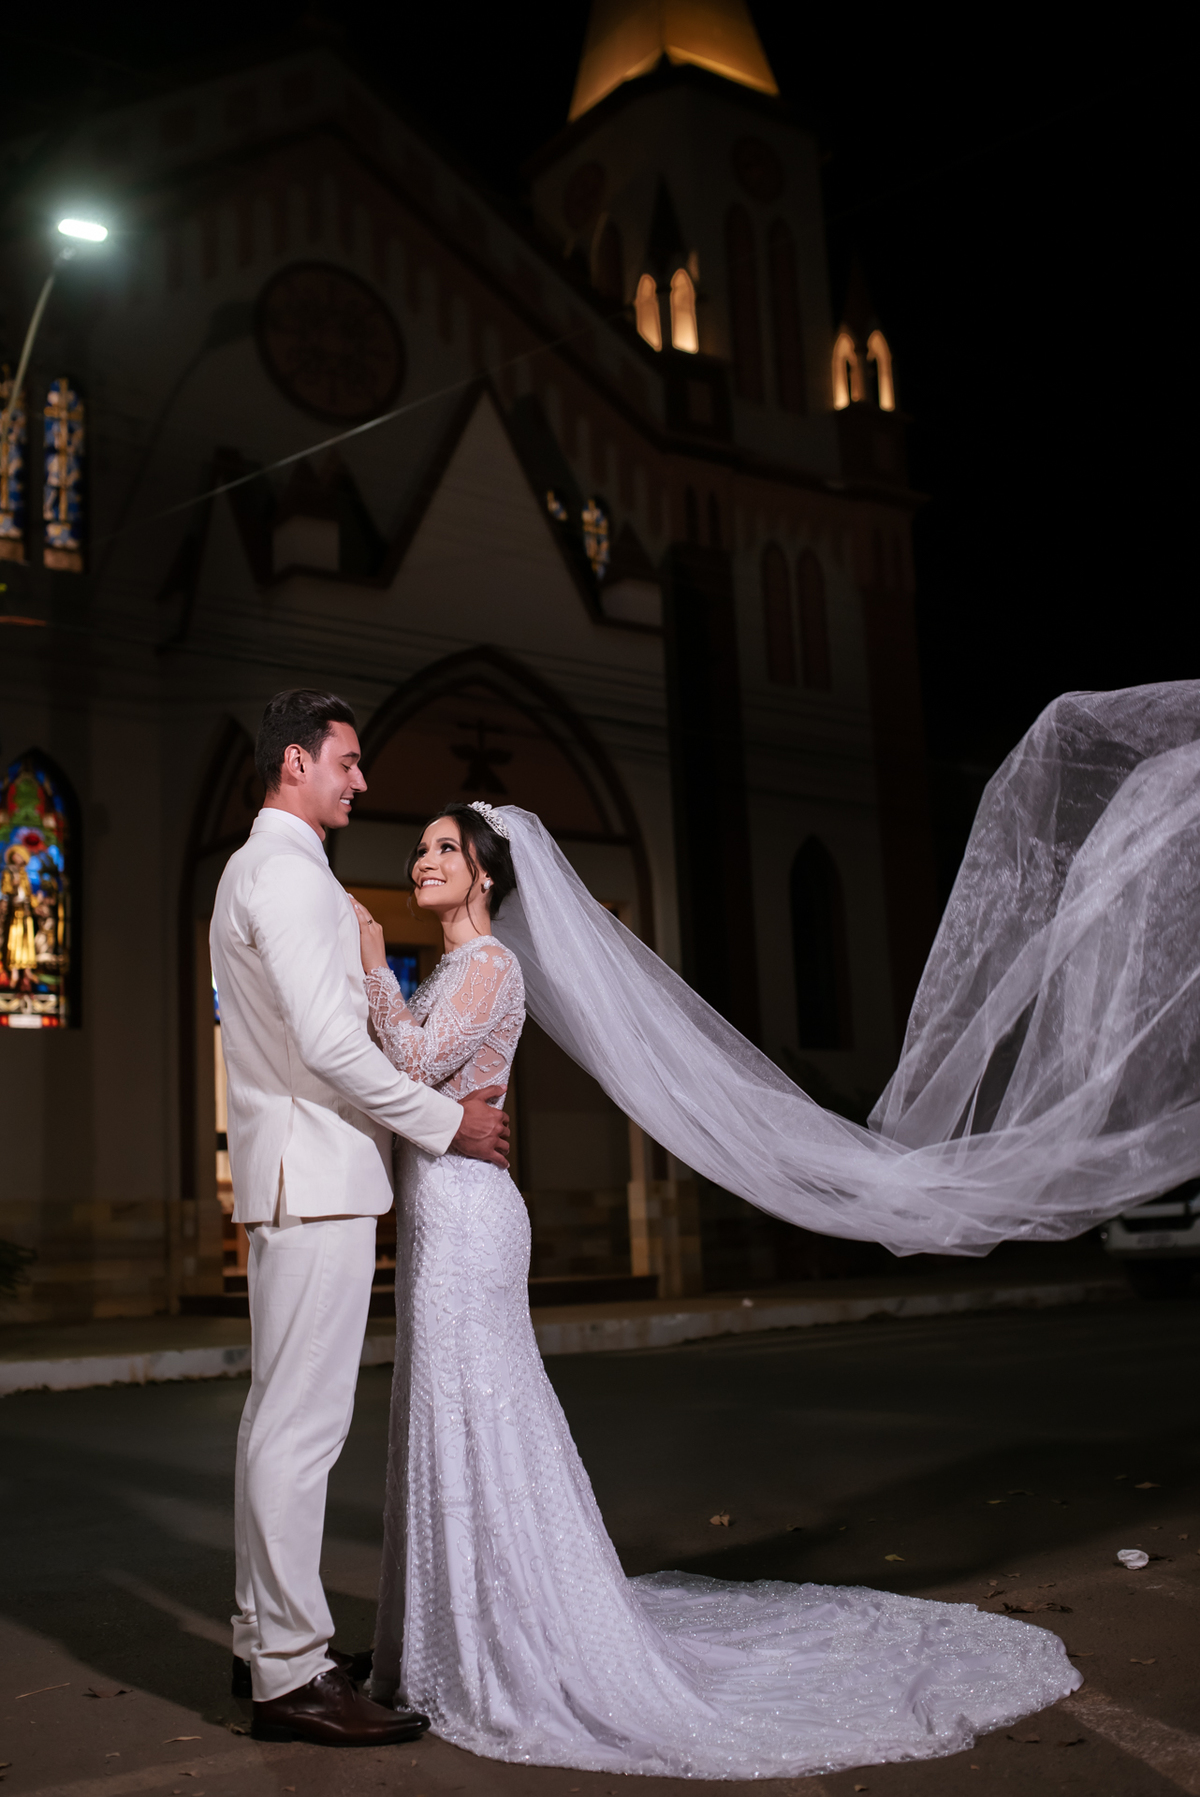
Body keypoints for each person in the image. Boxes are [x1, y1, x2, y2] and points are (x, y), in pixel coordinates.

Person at [351, 799, 1080, 1780]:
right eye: (423, 847)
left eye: (447, 849)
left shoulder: (489, 965)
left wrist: (365, 962)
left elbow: (411, 1063)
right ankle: (445, 1640)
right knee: (444, 1418)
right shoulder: (447, 968)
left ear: (486, 876)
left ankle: (499, 1649)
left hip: (474, 1218)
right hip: (444, 1209)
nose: (424, 860)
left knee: (481, 1415)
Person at [209, 692, 510, 1749]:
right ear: (298, 761)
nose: (362, 780)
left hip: (302, 1172)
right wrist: (448, 1128)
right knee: (302, 1430)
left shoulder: (271, 871)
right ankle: (291, 1678)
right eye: (348, 761)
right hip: (319, 1175)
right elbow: (336, 1049)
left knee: (275, 1421)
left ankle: (268, 1639)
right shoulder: (286, 876)